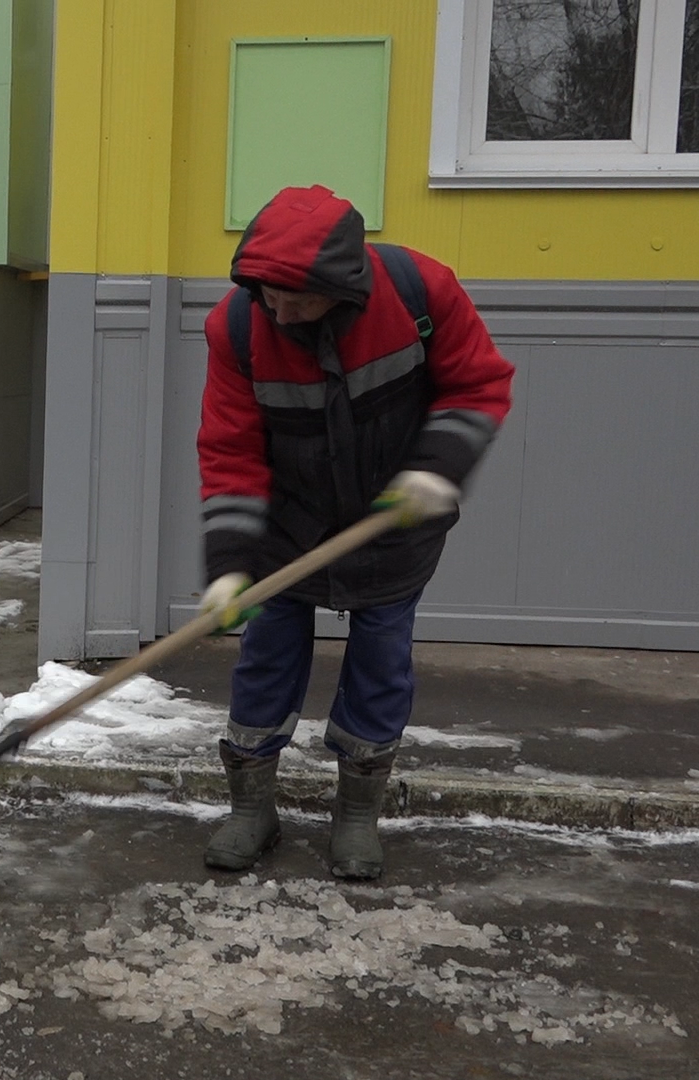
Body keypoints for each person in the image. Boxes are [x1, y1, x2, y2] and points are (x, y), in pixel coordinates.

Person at [196, 185, 515, 880]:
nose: (278, 310)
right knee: (266, 660)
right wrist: (228, 563)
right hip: (288, 530)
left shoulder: (419, 292)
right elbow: (231, 449)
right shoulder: (240, 328)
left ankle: (357, 815)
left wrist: (439, 467)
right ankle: (253, 808)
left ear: (343, 288)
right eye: (265, 293)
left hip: (397, 518)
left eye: (297, 299)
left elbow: (478, 385)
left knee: (379, 667)